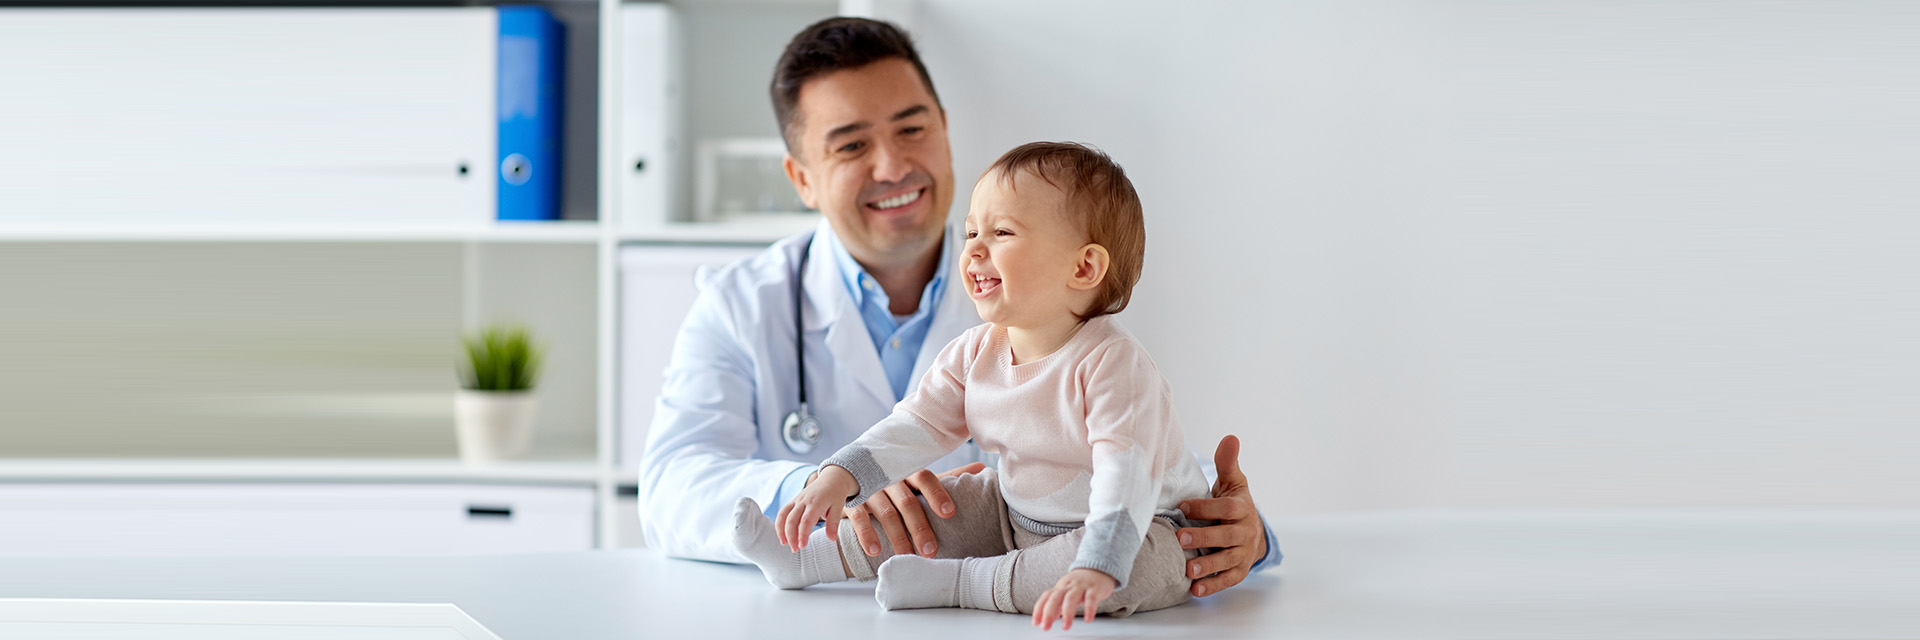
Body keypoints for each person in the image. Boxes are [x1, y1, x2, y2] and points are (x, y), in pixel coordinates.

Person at [634, 17, 1277, 599]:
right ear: (802, 178)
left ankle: (964, 582)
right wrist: (826, 490)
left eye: (912, 129)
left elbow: (1135, 459)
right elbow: (671, 487)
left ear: (944, 131)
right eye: (852, 146)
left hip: (1021, 568)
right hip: (858, 605)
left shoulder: (1054, 295)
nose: (893, 165)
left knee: (1129, 551)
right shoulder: (739, 302)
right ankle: (809, 558)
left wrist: (1249, 534)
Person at [732, 142, 1207, 631]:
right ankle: (806, 561)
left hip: (1143, 525)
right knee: (940, 507)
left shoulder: (1113, 363)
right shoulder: (977, 350)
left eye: (1001, 232)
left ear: (1083, 268)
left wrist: (1096, 562)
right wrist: (839, 477)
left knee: (1130, 569)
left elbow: (1125, 474)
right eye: (971, 232)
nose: (974, 249)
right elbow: (916, 425)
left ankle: (961, 583)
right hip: (1016, 512)